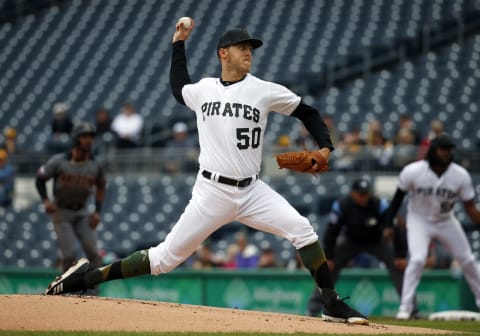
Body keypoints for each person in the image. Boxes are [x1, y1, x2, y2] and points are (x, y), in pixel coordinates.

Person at [43, 22, 368, 325]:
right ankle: (86, 277)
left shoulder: (264, 90)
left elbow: (307, 112)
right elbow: (178, 86)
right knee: (163, 260)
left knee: (303, 230)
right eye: (242, 47)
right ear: (222, 53)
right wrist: (178, 43)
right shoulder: (204, 89)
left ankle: (330, 303)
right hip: (211, 192)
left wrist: (325, 148)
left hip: (253, 191)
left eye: (251, 48)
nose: (248, 52)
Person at [385, 133, 480, 319]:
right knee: (418, 259)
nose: (446, 153)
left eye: (449, 149)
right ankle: (405, 308)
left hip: (446, 220)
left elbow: (470, 207)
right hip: (419, 220)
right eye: (442, 149)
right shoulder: (413, 171)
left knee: (467, 259)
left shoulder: (460, 175)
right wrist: (388, 223)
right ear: (433, 151)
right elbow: (397, 200)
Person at [307, 178, 409, 317]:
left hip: (376, 241)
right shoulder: (342, 205)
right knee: (327, 268)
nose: (364, 197)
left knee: (397, 266)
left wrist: (401, 255)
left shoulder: (379, 204)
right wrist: (329, 256)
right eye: (360, 194)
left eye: (366, 193)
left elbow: (395, 226)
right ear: (353, 194)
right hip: (350, 241)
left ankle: (409, 309)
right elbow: (331, 232)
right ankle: (313, 309)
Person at [36, 122, 106, 293]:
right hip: (62, 211)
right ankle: (66, 290)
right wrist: (45, 200)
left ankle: (94, 291)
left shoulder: (95, 165)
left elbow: (101, 186)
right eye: (84, 136)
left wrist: (97, 211)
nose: (88, 140)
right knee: (69, 254)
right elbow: (40, 178)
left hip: (82, 211)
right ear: (76, 139)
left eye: (90, 137)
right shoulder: (59, 161)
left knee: (94, 252)